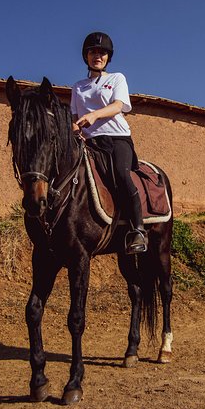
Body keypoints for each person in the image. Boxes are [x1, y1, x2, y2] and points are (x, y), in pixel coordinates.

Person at [71, 31, 147, 254]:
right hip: (91, 142)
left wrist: (94, 115)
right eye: (93, 52)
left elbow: (118, 105)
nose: (98, 56)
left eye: (102, 53)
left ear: (108, 58)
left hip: (117, 139)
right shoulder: (78, 87)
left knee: (122, 175)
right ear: (86, 55)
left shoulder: (116, 78)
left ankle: (138, 230)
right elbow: (75, 119)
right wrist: (75, 132)